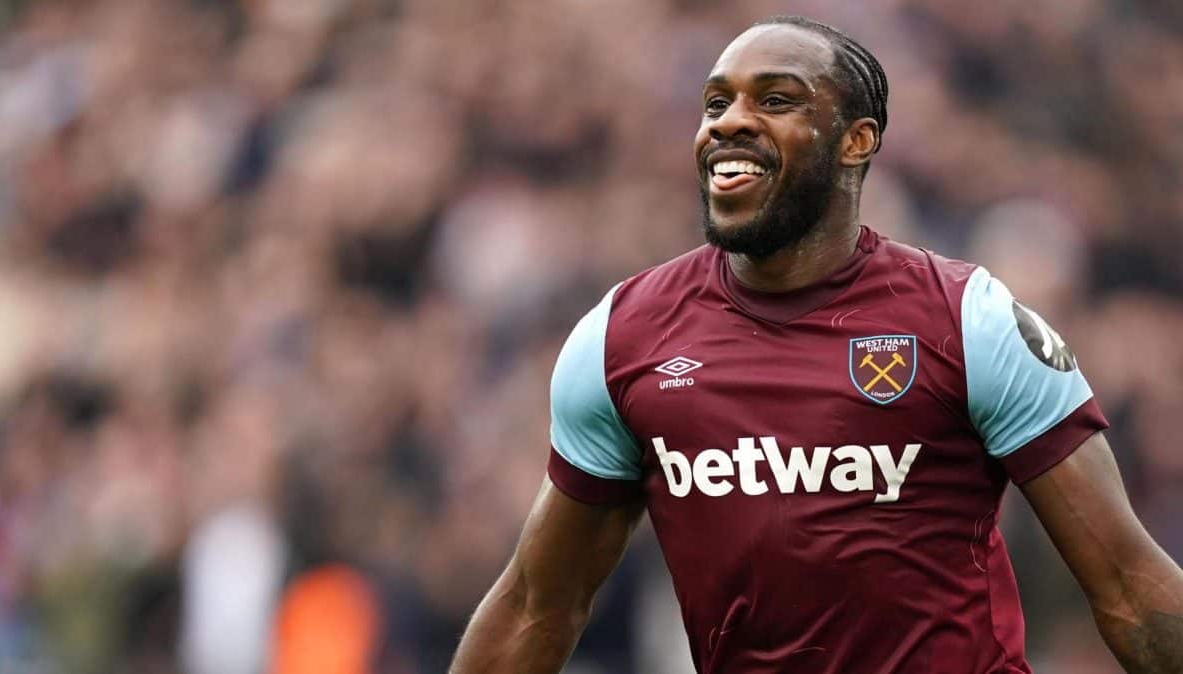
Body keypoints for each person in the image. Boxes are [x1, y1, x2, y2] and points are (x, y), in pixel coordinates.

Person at [449, 15, 1183, 674]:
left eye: (775, 100)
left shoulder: (969, 321)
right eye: (715, 103)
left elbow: (1127, 586)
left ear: (855, 141)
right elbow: (537, 606)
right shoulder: (622, 337)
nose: (730, 122)